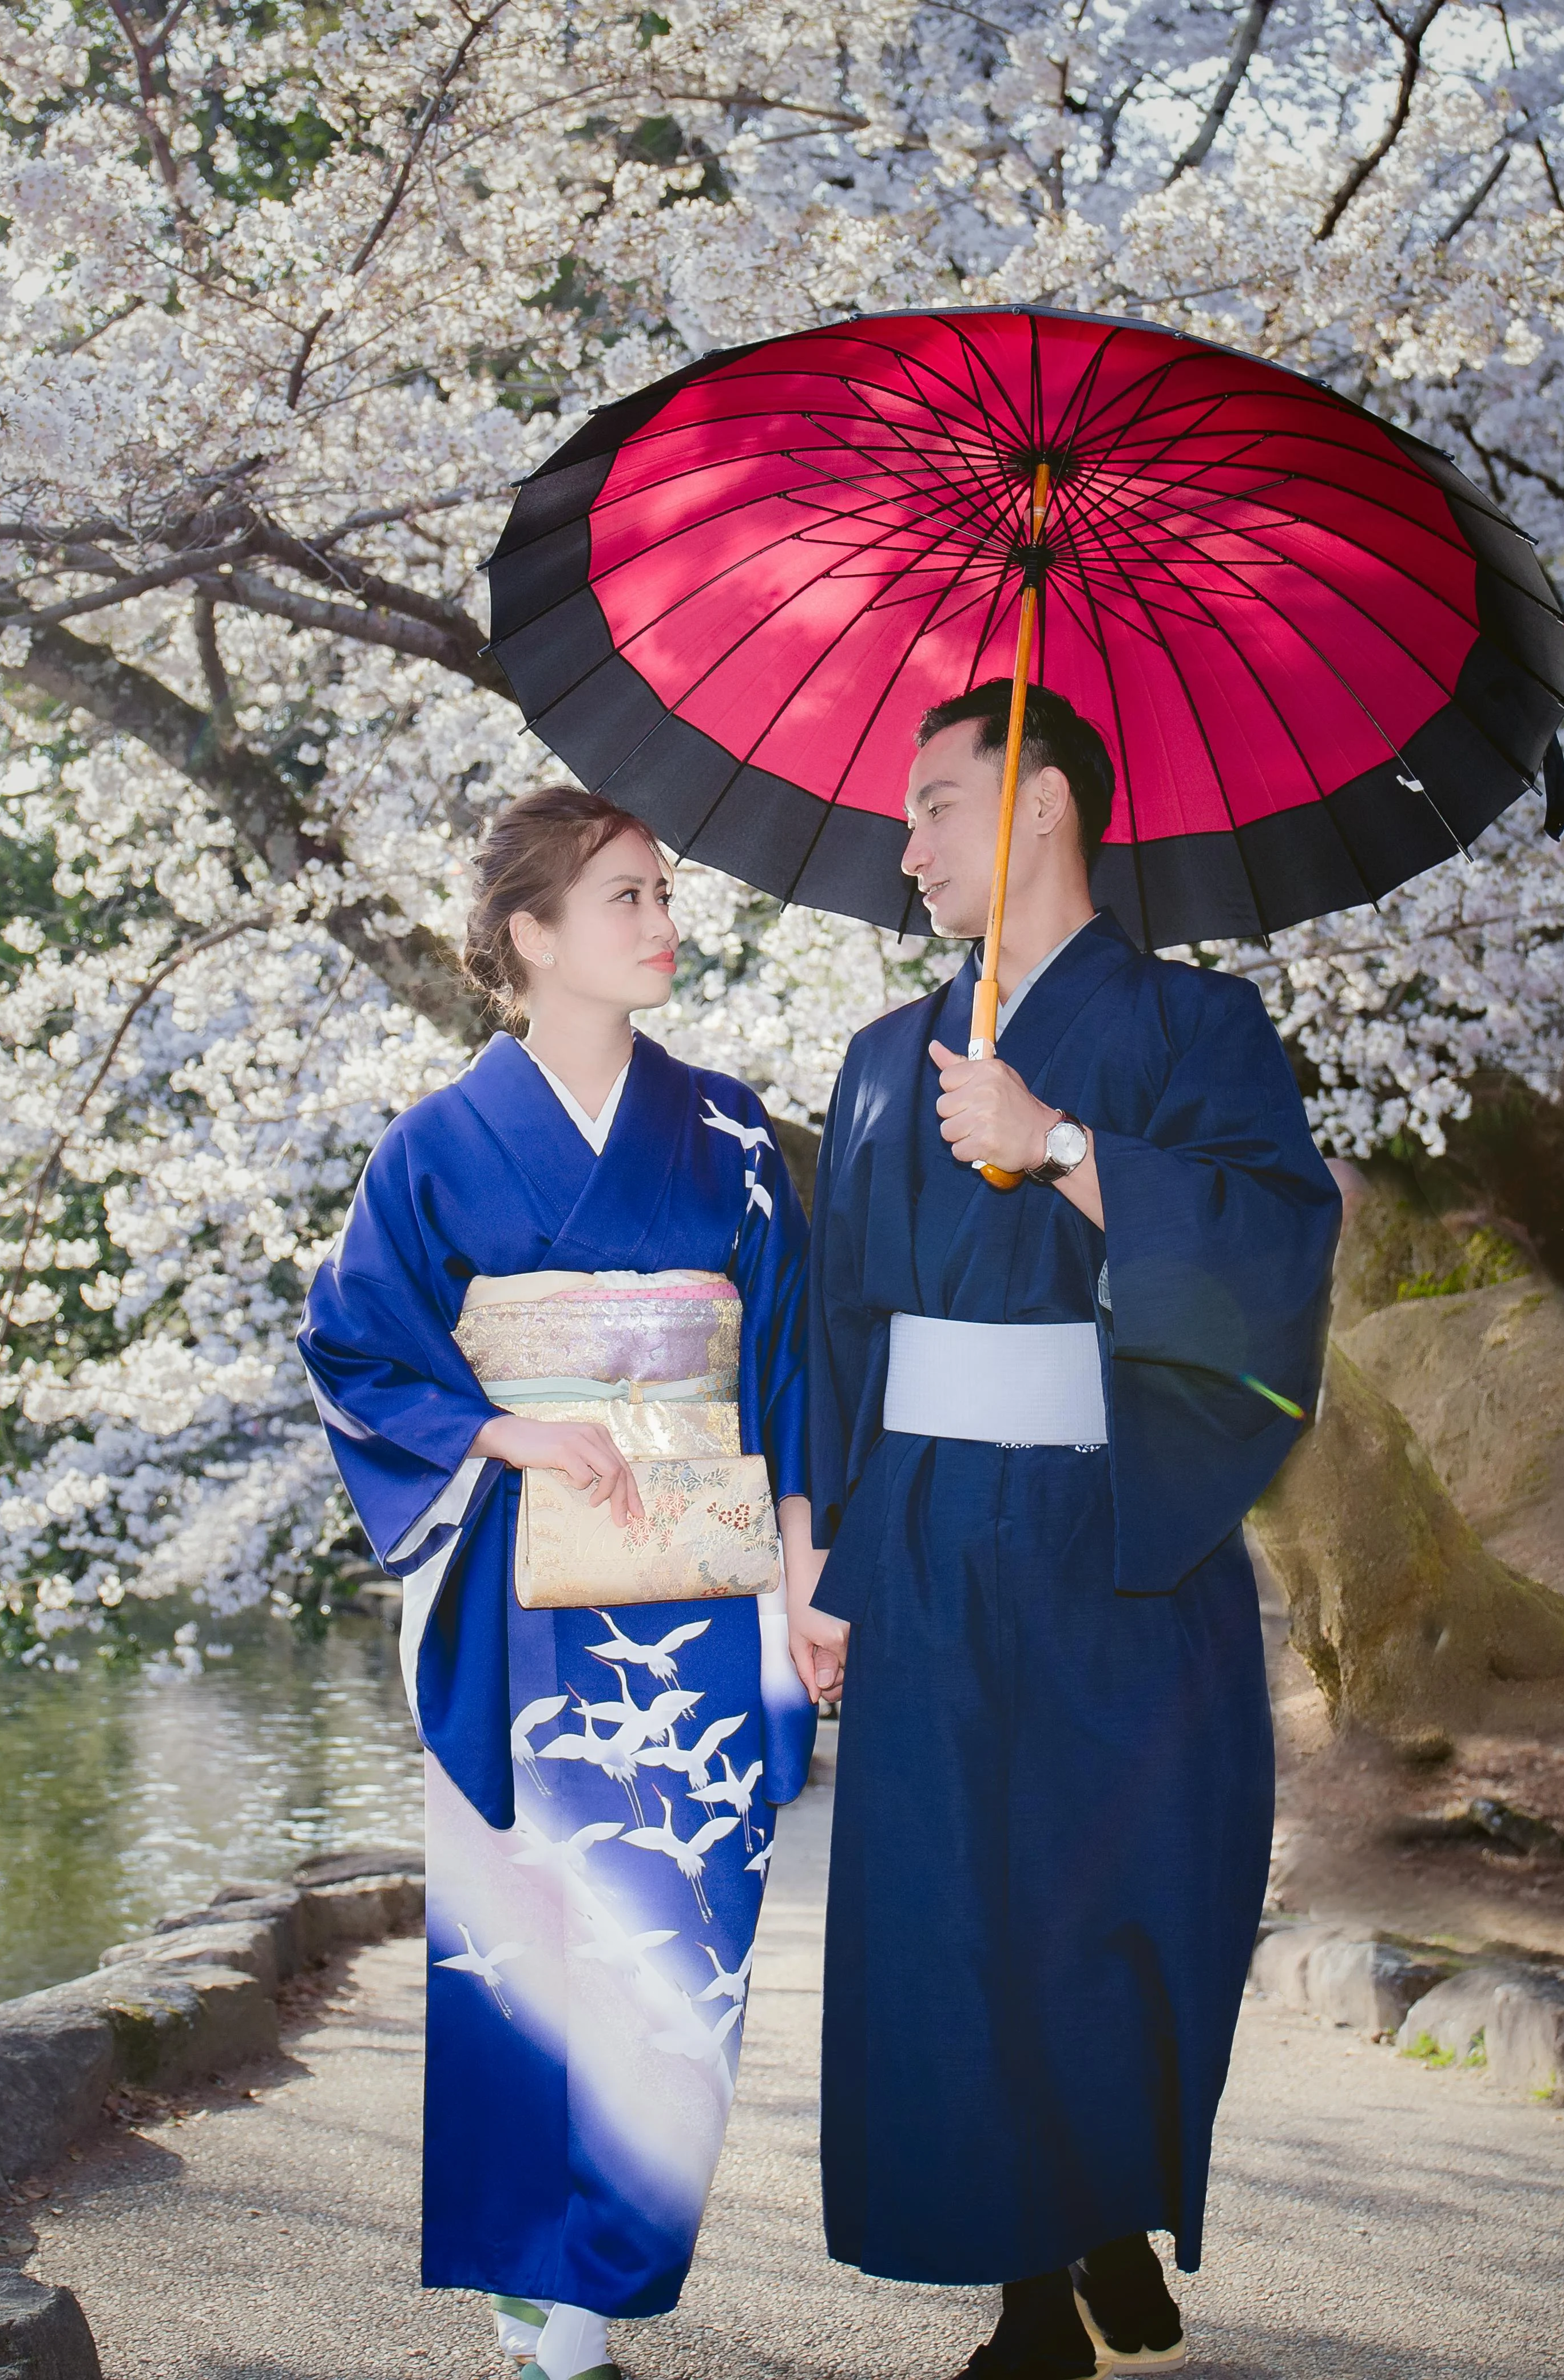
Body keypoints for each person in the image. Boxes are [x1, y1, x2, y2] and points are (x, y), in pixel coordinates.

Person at [789, 683, 1339, 2380]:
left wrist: (1063, 1146)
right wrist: (817, 1562)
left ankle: (1106, 2206)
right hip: (933, 1524)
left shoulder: (1200, 1035)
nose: (909, 845)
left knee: (1125, 1893)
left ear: (1038, 805)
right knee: (955, 1901)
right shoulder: (887, 1062)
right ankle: (1031, 2286)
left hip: (1122, 1525)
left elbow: (1271, 1251)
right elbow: (839, 1332)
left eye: (937, 806)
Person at [299, 785, 823, 2380]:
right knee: (531, 1942)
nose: (663, 924)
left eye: (665, 893)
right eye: (623, 899)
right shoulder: (438, 1147)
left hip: (706, 1606)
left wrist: (808, 1586)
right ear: (529, 936)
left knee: (683, 1949)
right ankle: (553, 2286)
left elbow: (795, 1372)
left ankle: (591, 2276)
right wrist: (503, 1428)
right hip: (526, 1602)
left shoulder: (730, 1132)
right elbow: (356, 1348)